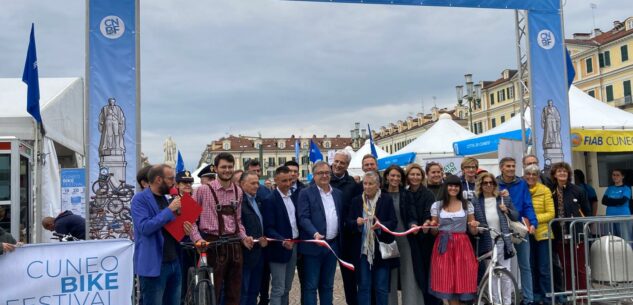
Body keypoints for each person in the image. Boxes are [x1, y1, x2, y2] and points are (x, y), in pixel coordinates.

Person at [189, 153, 252, 305]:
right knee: (212, 293)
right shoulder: (203, 190)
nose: (227, 170)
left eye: (230, 167)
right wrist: (197, 239)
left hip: (234, 245)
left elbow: (237, 221)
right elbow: (189, 219)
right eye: (223, 167)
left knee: (234, 292)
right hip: (212, 244)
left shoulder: (238, 191)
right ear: (216, 168)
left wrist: (244, 237)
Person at [131, 164, 182, 305]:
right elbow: (145, 227)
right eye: (171, 178)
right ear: (159, 179)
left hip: (174, 261)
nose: (174, 182)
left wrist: (184, 228)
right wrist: (169, 210)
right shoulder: (139, 199)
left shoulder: (166, 199)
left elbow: (167, 228)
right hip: (154, 265)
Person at [426, 175, 479, 305]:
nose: (453, 188)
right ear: (446, 187)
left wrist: (474, 226)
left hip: (462, 244)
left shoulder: (467, 204)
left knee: (463, 279)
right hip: (444, 244)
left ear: (459, 188)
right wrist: (432, 226)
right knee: (447, 279)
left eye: (456, 186)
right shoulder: (437, 206)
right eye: (450, 185)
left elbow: (473, 231)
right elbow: (434, 231)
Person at [347, 171, 398, 305]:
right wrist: (356, 223)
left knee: (381, 287)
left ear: (378, 185)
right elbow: (348, 223)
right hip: (363, 251)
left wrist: (381, 225)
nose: (367, 187)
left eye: (371, 184)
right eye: (365, 183)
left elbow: (393, 222)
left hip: (381, 249)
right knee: (364, 286)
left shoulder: (386, 199)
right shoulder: (356, 201)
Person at [297, 161, 343, 305]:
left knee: (328, 285)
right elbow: (303, 217)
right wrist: (314, 233)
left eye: (327, 173)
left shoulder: (338, 194)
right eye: (320, 173)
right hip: (314, 246)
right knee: (311, 286)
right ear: (314, 175)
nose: (324, 175)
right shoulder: (305, 193)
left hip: (332, 245)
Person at [473, 172, 518, 305]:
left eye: (490, 183)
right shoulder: (476, 201)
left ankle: (507, 302)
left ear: (494, 184)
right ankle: (496, 302)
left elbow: (516, 216)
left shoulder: (503, 198)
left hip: (503, 240)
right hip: (487, 241)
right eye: (485, 183)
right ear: (480, 185)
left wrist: (507, 210)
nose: (488, 185)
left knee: (505, 273)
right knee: (491, 275)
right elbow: (474, 219)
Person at [497, 157, 537, 305]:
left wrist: (533, 223)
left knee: (525, 266)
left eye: (513, 166)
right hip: (501, 228)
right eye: (508, 166)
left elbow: (528, 205)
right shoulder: (494, 183)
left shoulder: (522, 183)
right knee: (501, 266)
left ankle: (528, 299)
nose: (511, 168)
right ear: (501, 168)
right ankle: (501, 299)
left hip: (519, 227)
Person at [549, 162, 592, 292]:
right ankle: (569, 295)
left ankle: (582, 297)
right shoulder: (551, 191)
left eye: (565, 171)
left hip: (577, 235)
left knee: (579, 267)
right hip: (559, 236)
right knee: (565, 267)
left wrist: (583, 228)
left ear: (569, 174)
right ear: (554, 175)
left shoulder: (578, 190)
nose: (562, 173)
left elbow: (587, 211)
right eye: (559, 171)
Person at [381, 165, 419, 305]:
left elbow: (411, 215)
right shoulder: (381, 194)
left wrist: (413, 224)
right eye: (392, 175)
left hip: (404, 239)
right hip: (387, 240)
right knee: (389, 275)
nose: (395, 178)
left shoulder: (406, 194)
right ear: (387, 176)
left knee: (408, 274)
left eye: (398, 176)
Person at [404, 164, 441, 305]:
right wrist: (411, 224)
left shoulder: (428, 194)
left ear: (422, 176)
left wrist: (426, 222)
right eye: (412, 174)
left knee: (428, 274)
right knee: (417, 275)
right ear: (407, 177)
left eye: (418, 174)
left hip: (426, 239)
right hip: (411, 238)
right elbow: (406, 215)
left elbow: (430, 213)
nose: (415, 177)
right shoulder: (405, 194)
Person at [262, 166, 299, 305]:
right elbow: (268, 228)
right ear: (276, 180)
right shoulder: (270, 200)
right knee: (278, 288)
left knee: (287, 288)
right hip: (278, 249)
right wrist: (282, 241)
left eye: (290, 180)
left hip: (294, 246)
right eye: (284, 181)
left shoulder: (293, 197)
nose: (288, 184)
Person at [330, 150, 361, 305]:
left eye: (342, 162)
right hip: (327, 236)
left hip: (347, 237)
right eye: (336, 161)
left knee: (350, 277)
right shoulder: (323, 179)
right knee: (325, 279)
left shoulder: (353, 185)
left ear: (347, 165)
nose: (338, 165)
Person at [524, 164, 555, 305]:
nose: (531, 177)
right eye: (528, 174)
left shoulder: (545, 190)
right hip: (525, 233)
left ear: (538, 176)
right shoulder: (521, 189)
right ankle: (534, 296)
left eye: (534, 174)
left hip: (543, 233)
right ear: (524, 175)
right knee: (530, 267)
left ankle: (547, 297)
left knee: (543, 268)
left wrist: (533, 220)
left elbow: (551, 213)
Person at [240, 171, 269, 305]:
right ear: (242, 184)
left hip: (259, 253)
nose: (256, 186)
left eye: (257, 183)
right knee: (243, 292)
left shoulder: (257, 200)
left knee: (254, 291)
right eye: (252, 183)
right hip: (245, 255)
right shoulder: (239, 202)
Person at [602, 169, 632, 240]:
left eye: (617, 175)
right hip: (609, 217)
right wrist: (617, 202)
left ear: (623, 176)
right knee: (610, 240)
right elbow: (603, 201)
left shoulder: (626, 188)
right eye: (613, 175)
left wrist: (610, 201)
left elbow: (622, 201)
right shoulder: (609, 188)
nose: (615, 177)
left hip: (623, 217)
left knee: (626, 239)